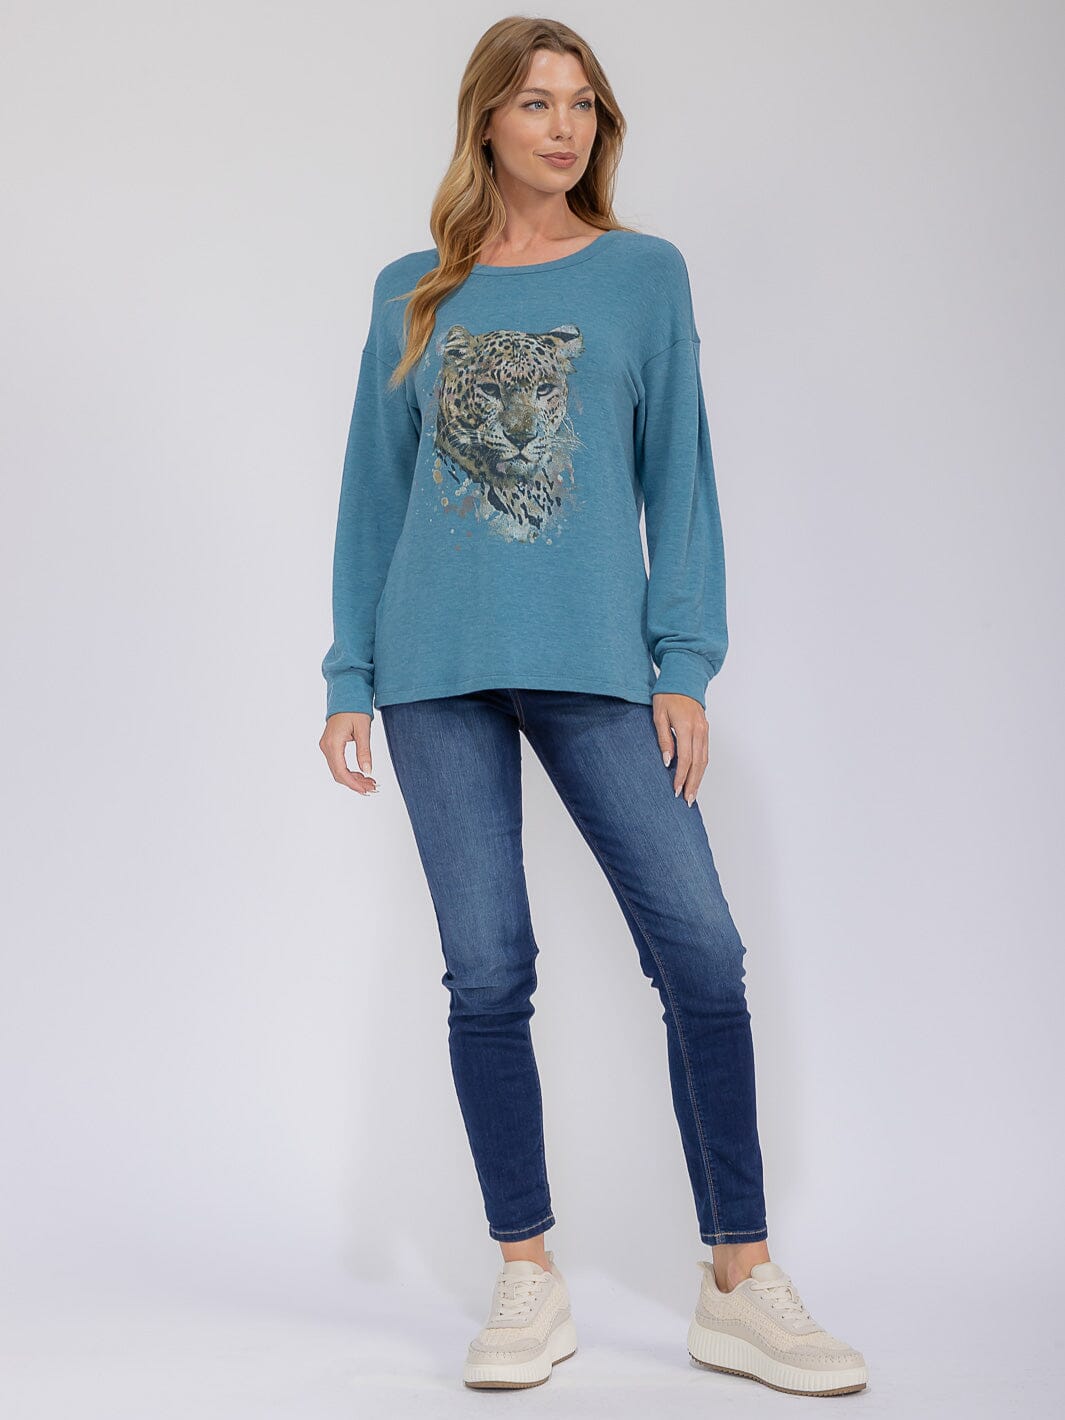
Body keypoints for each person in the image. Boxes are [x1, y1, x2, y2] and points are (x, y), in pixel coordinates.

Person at [319, 15, 868, 1399]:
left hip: (596, 664)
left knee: (701, 951)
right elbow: (373, 494)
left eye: (582, 105)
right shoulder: (411, 292)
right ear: (484, 123)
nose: (562, 127)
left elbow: (680, 474)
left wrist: (683, 663)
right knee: (487, 970)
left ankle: (737, 1279)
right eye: (534, 103)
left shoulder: (640, 275)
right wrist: (348, 676)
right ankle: (526, 1271)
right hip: (432, 668)